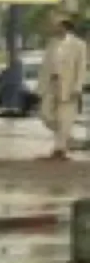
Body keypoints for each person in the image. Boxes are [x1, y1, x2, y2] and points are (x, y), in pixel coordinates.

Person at [37, 17, 87, 160]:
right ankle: (64, 136)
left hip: (69, 85)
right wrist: (40, 86)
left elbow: (81, 68)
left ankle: (60, 148)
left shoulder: (79, 45)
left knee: (65, 117)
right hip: (51, 83)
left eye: (57, 26)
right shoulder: (52, 43)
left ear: (65, 27)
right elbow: (45, 65)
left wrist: (78, 86)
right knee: (45, 114)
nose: (54, 28)